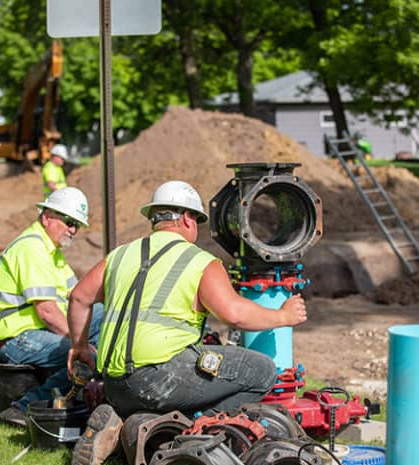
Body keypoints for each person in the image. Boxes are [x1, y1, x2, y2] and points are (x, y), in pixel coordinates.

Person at [67, 180, 307, 465]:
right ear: (186, 218)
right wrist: (283, 316)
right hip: (161, 379)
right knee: (262, 371)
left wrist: (80, 346)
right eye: (197, 219)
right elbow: (234, 314)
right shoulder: (199, 261)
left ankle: (125, 422)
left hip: (115, 383)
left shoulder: (120, 255)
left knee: (188, 372)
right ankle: (189, 433)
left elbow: (79, 297)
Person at [0, 187, 103, 427]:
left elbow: (80, 296)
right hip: (16, 338)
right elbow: (47, 312)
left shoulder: (51, 251)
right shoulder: (32, 248)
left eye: (76, 225)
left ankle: (81, 388)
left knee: (104, 316)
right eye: (68, 221)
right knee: (92, 357)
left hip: (34, 332)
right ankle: (23, 407)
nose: (72, 229)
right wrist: (80, 345)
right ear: (47, 216)